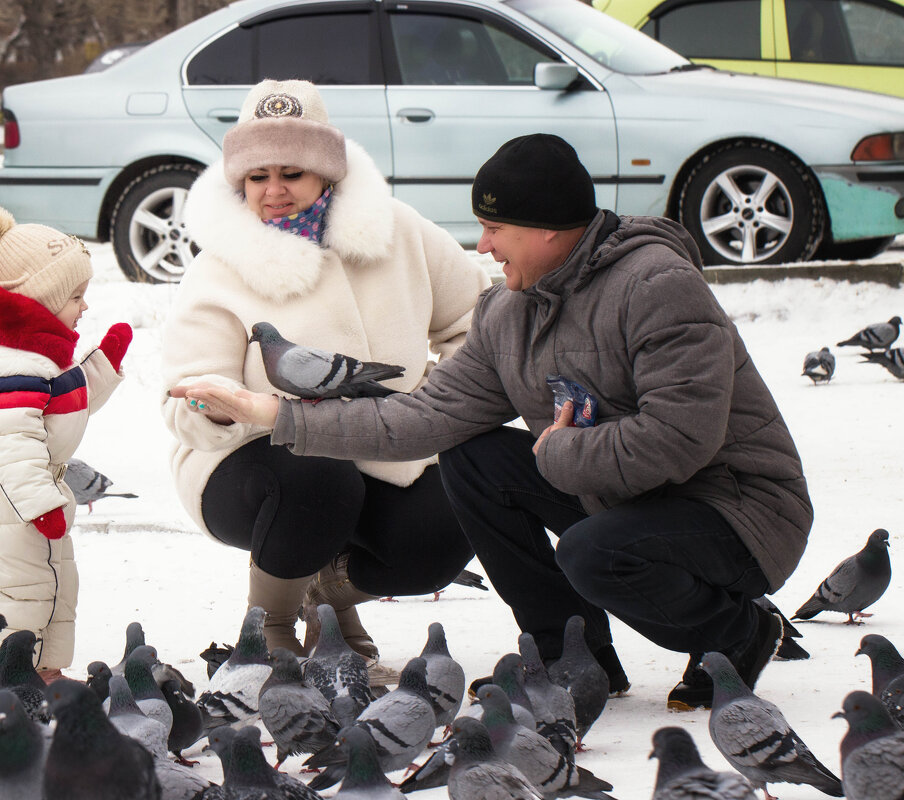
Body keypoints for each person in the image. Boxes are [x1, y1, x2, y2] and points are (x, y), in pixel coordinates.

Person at [172, 133, 813, 708]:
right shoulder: (509, 312)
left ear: (545, 230)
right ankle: (569, 655)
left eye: (492, 228)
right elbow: (422, 417)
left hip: (735, 512)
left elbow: (680, 439)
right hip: (623, 494)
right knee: (473, 457)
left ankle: (741, 631)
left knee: (593, 554)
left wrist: (560, 453)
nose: (481, 246)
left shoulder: (657, 287)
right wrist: (274, 415)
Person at [161, 79, 490, 677]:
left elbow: (477, 324)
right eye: (258, 175)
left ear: (328, 175)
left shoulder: (401, 232)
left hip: (388, 449)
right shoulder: (219, 265)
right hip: (253, 463)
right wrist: (214, 406)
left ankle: (331, 595)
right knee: (317, 476)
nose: (274, 190)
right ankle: (272, 629)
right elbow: (185, 388)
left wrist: (436, 404)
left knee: (450, 519)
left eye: (293, 171)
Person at [0, 206, 131, 683]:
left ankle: (40, 672)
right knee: (14, 592)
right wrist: (40, 503)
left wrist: (101, 367)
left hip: (26, 494)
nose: (84, 307)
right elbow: (13, 444)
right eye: (75, 296)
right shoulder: (8, 363)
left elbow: (58, 411)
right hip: (0, 494)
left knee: (53, 584)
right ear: (40, 299)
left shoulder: (38, 355)